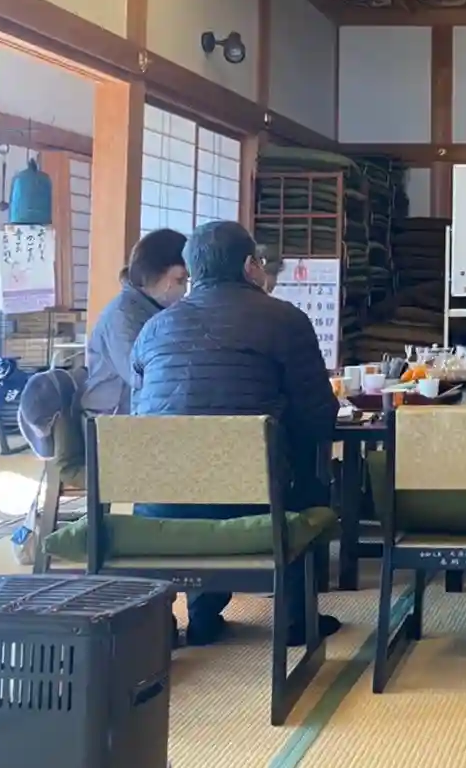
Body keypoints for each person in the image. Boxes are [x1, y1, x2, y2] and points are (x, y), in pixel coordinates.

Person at [131, 220, 341, 647]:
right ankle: (296, 617)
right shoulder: (284, 319)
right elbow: (319, 415)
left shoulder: (154, 329)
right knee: (307, 467)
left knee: (192, 461)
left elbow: (142, 416)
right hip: (256, 500)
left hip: (160, 504)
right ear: (250, 266)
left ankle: (201, 615)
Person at [82, 229, 188, 416]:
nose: (185, 289)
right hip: (109, 418)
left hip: (142, 411)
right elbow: (142, 377)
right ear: (153, 274)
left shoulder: (156, 309)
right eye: (180, 279)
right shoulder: (122, 316)